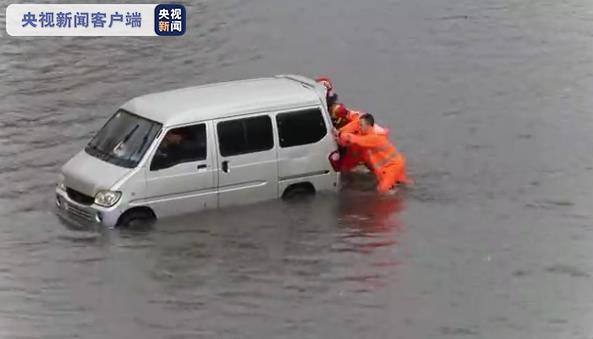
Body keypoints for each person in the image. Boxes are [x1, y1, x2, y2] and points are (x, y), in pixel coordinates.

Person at [338, 113, 412, 193]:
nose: (359, 127)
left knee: (382, 190)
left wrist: (340, 133)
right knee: (403, 184)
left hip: (393, 166)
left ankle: (394, 196)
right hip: (391, 166)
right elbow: (355, 152)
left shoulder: (374, 138)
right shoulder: (365, 139)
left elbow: (355, 139)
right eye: (358, 125)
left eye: (361, 125)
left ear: (368, 126)